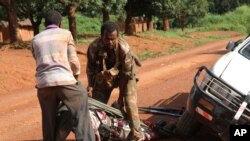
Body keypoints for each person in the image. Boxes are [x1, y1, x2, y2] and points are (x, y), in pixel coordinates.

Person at [31, 10, 95, 141]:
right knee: (81, 112)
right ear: (60, 23)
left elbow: (37, 59)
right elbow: (73, 61)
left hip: (43, 84)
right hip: (65, 80)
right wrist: (75, 77)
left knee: (48, 120)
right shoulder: (66, 34)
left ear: (44, 23)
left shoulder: (35, 39)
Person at [86, 21, 143, 140]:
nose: (110, 42)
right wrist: (91, 85)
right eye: (107, 39)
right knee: (96, 104)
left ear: (118, 37)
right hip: (107, 76)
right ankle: (99, 132)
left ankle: (137, 135)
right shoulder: (94, 47)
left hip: (125, 75)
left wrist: (120, 98)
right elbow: (91, 68)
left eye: (113, 39)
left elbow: (125, 76)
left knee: (129, 103)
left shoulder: (124, 49)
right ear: (101, 36)